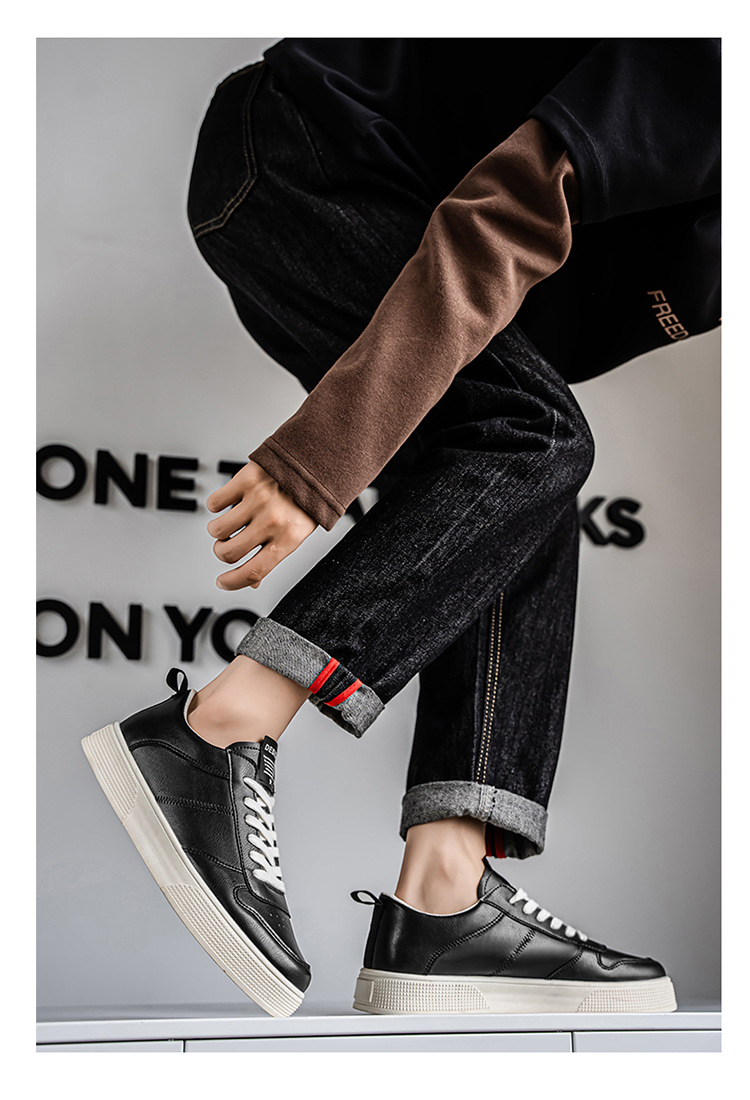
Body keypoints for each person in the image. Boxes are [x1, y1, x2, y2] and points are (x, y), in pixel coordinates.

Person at [82, 38, 720, 1018]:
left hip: (404, 233)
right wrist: (328, 454)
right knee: (536, 439)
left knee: (531, 474)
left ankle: (443, 898)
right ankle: (220, 726)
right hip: (307, 151)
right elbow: (503, 213)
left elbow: (526, 354)